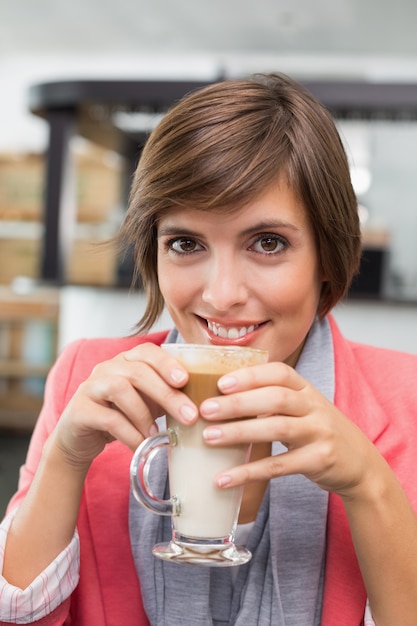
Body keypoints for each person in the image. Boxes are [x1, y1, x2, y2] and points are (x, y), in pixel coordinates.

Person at [1, 73, 417, 626]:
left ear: (327, 254)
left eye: (267, 243)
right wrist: (66, 457)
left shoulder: (408, 399)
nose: (221, 296)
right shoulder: (85, 376)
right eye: (185, 243)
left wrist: (368, 485)